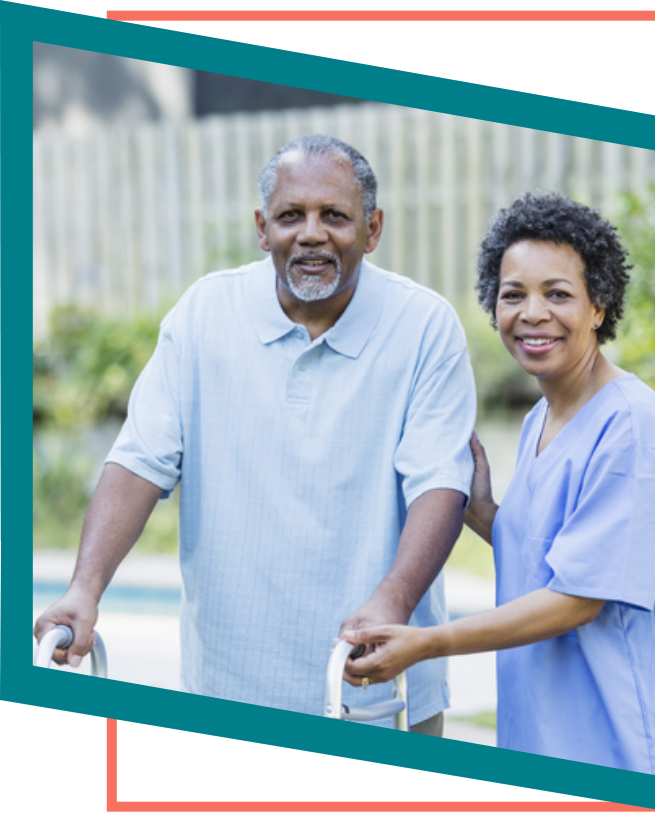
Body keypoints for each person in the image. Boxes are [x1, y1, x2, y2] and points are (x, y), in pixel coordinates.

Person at [34, 134, 477, 735]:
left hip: (378, 688)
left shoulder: (424, 326)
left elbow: (440, 484)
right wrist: (85, 588)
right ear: (262, 228)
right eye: (291, 216)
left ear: (372, 231)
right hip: (226, 688)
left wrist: (394, 599)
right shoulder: (203, 314)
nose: (312, 234)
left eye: (335, 217)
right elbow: (139, 461)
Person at [344, 192, 655, 783]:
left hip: (623, 750)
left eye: (558, 294)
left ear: (599, 306)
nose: (532, 312)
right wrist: (489, 514)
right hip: (545, 739)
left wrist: (426, 643)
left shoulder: (633, 425)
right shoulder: (538, 421)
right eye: (513, 294)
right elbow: (561, 557)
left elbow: (578, 597)